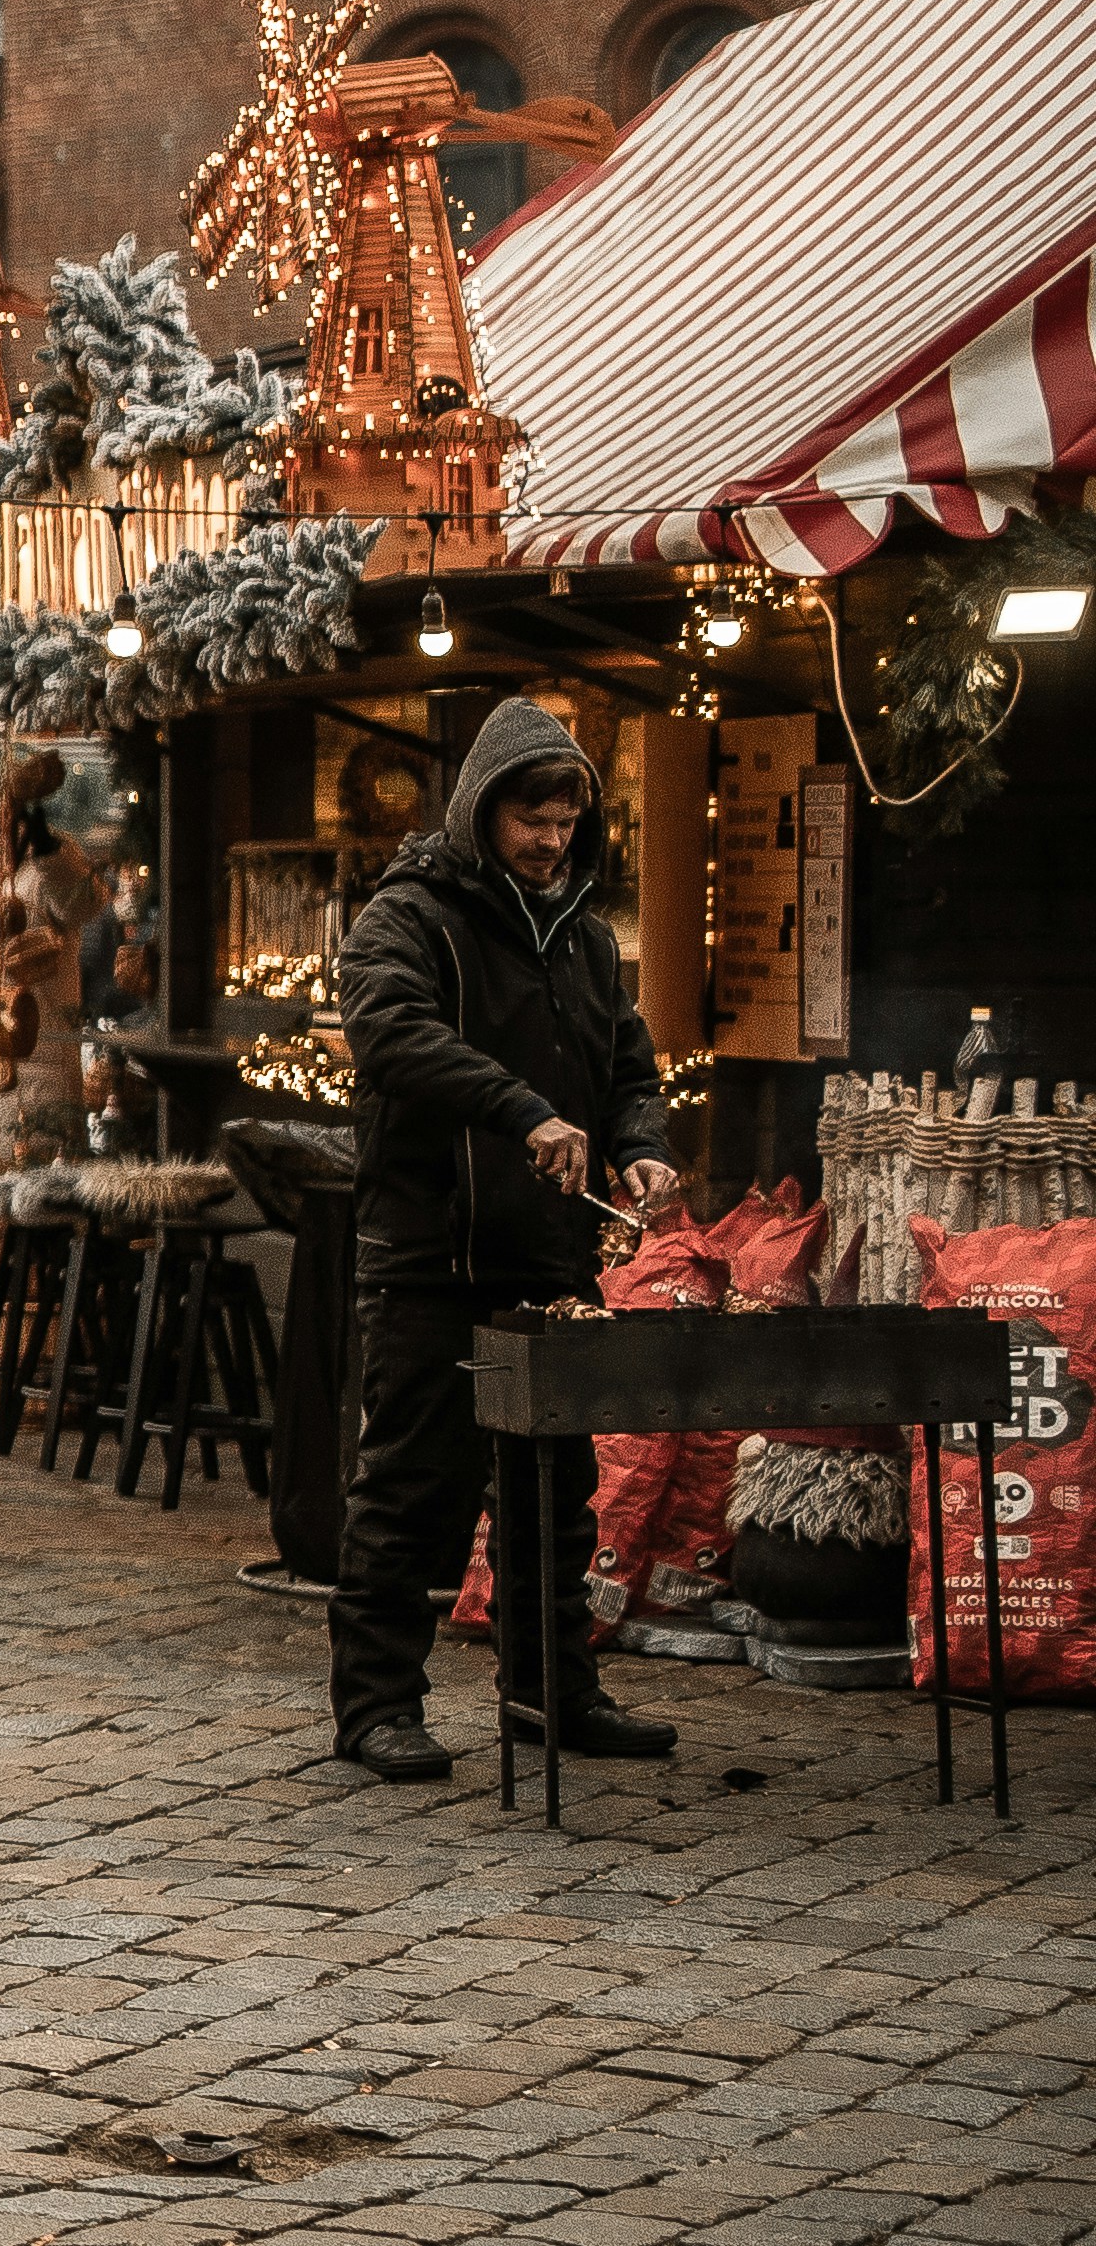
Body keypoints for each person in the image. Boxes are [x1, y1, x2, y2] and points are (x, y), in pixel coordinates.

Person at [327, 699, 686, 1786]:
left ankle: (550, 1695)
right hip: (432, 1252)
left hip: (546, 1259)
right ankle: (376, 1707)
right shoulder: (409, 917)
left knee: (552, 1494)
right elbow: (392, 1034)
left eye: (566, 821)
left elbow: (628, 1068)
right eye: (532, 818)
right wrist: (523, 1110)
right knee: (410, 1488)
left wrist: (643, 1145)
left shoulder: (586, 934)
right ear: (484, 809)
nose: (549, 839)